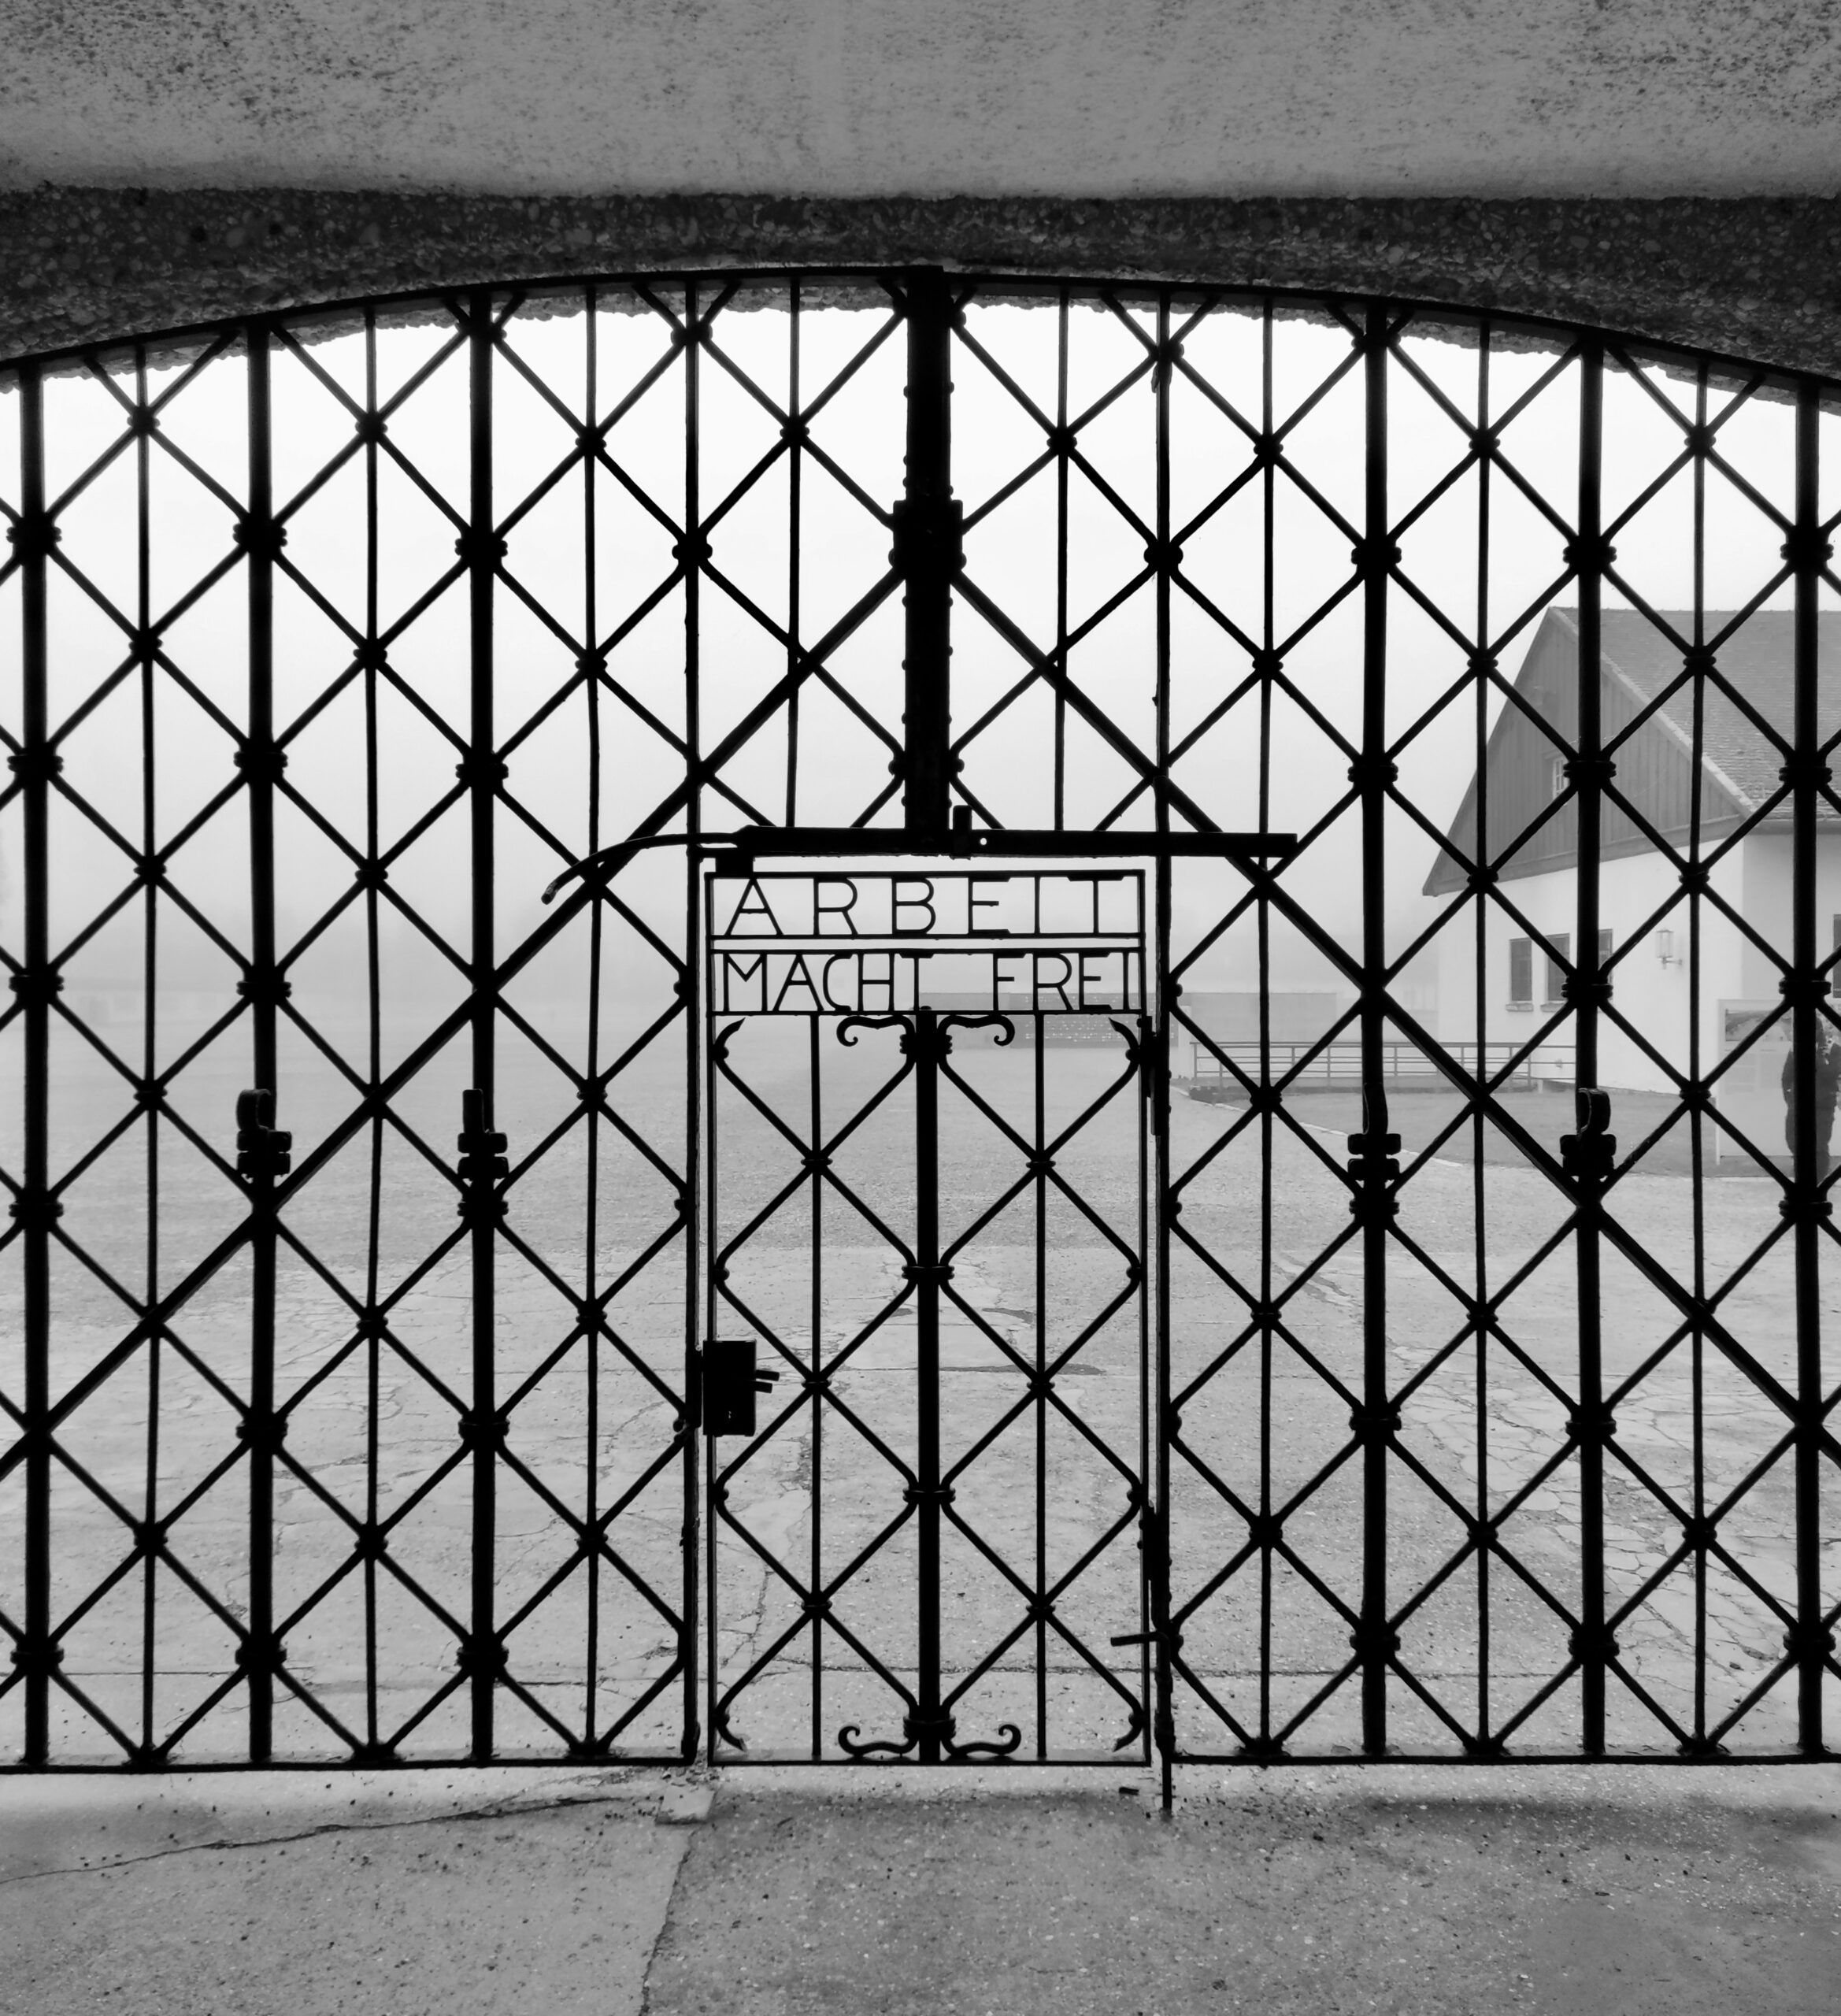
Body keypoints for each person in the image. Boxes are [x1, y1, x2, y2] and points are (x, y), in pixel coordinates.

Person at [1780, 1025, 1841, 1178]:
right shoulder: (1796, 1049)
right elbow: (1787, 1076)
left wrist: (1815, 1057)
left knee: (1819, 1144)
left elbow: (1830, 1074)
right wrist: (1790, 1098)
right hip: (1798, 1103)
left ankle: (1818, 1180)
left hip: (1823, 1105)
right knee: (1793, 1139)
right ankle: (1801, 1174)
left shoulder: (1834, 1049)